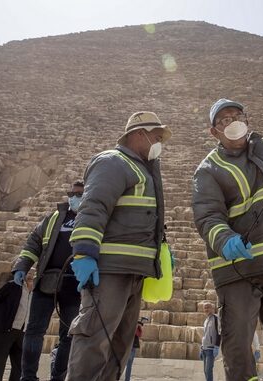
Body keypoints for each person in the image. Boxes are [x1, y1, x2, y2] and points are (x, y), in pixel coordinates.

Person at [192, 98, 263, 380]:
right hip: (237, 268)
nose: (232, 122)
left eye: (237, 115)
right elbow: (207, 216)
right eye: (224, 120)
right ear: (213, 132)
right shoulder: (208, 170)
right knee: (238, 342)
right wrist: (225, 240)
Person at [66, 111, 172, 381]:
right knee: (93, 340)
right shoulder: (113, 163)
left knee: (119, 348)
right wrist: (84, 252)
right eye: (156, 137)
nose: (160, 142)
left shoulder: (142, 169)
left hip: (134, 272)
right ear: (139, 134)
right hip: (110, 271)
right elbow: (93, 208)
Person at [12, 181, 84, 381]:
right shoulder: (53, 218)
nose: (75, 197)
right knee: (34, 331)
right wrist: (21, 266)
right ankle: (28, 377)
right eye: (72, 193)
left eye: (80, 194)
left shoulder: (92, 218)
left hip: (75, 284)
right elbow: (33, 242)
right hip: (47, 280)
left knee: (69, 335)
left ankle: (58, 377)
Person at [0, 272, 32, 381]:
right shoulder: (13, 286)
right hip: (4, 330)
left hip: (21, 332)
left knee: (19, 366)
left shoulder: (35, 294)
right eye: (29, 276)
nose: (32, 277)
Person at [200, 302, 221, 381]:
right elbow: (205, 335)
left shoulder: (216, 318)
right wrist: (201, 347)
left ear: (212, 308)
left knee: (208, 370)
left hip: (211, 349)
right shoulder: (206, 320)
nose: (206, 309)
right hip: (204, 349)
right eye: (205, 308)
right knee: (205, 371)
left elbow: (219, 333)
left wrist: (217, 346)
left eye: (208, 307)